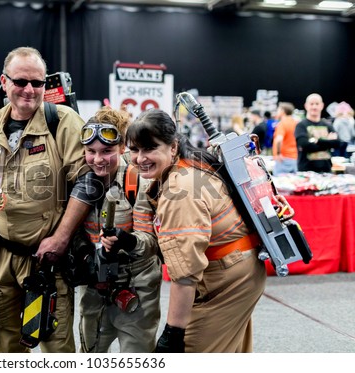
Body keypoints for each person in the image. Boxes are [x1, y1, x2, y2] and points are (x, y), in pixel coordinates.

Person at [0, 46, 92, 353]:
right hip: (0, 259)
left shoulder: (63, 121)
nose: (29, 90)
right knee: (5, 346)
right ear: (3, 82)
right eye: (20, 82)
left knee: (55, 349)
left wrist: (60, 239)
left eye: (38, 82)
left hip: (46, 262)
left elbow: (86, 182)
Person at [126, 108, 267, 353]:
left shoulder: (179, 190)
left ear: (172, 147)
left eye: (150, 148)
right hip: (240, 271)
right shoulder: (190, 164)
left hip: (228, 280)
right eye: (134, 149)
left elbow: (185, 273)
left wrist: (173, 333)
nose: (140, 158)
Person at [77, 106, 162, 353]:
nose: (98, 159)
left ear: (122, 148)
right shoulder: (77, 180)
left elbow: (150, 240)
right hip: (94, 284)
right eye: (90, 152)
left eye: (107, 151)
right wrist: (83, 251)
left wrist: (127, 240)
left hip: (135, 284)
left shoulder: (138, 182)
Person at [295, 93, 342, 173]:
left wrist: (317, 141)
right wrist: (328, 141)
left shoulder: (327, 125)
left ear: (322, 105)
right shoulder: (301, 125)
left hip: (326, 170)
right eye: (311, 104)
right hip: (306, 171)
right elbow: (304, 145)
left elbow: (337, 143)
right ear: (306, 106)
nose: (314, 107)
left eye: (317, 104)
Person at [272, 102, 299, 175]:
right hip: (294, 157)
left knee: (280, 184)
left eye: (278, 110)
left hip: (283, 158)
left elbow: (279, 139)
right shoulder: (296, 122)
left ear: (282, 111)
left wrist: (278, 153)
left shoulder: (282, 123)